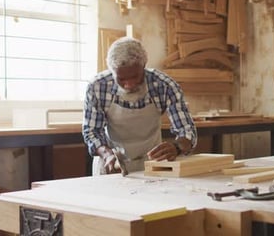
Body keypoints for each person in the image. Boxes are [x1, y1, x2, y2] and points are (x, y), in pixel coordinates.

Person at [82, 36, 197, 175]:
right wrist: (107, 154)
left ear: (144, 66)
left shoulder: (164, 86)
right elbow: (92, 131)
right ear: (113, 71)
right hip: (113, 164)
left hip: (153, 164)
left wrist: (176, 147)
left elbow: (187, 131)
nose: (129, 84)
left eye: (135, 77)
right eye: (122, 79)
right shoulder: (97, 87)